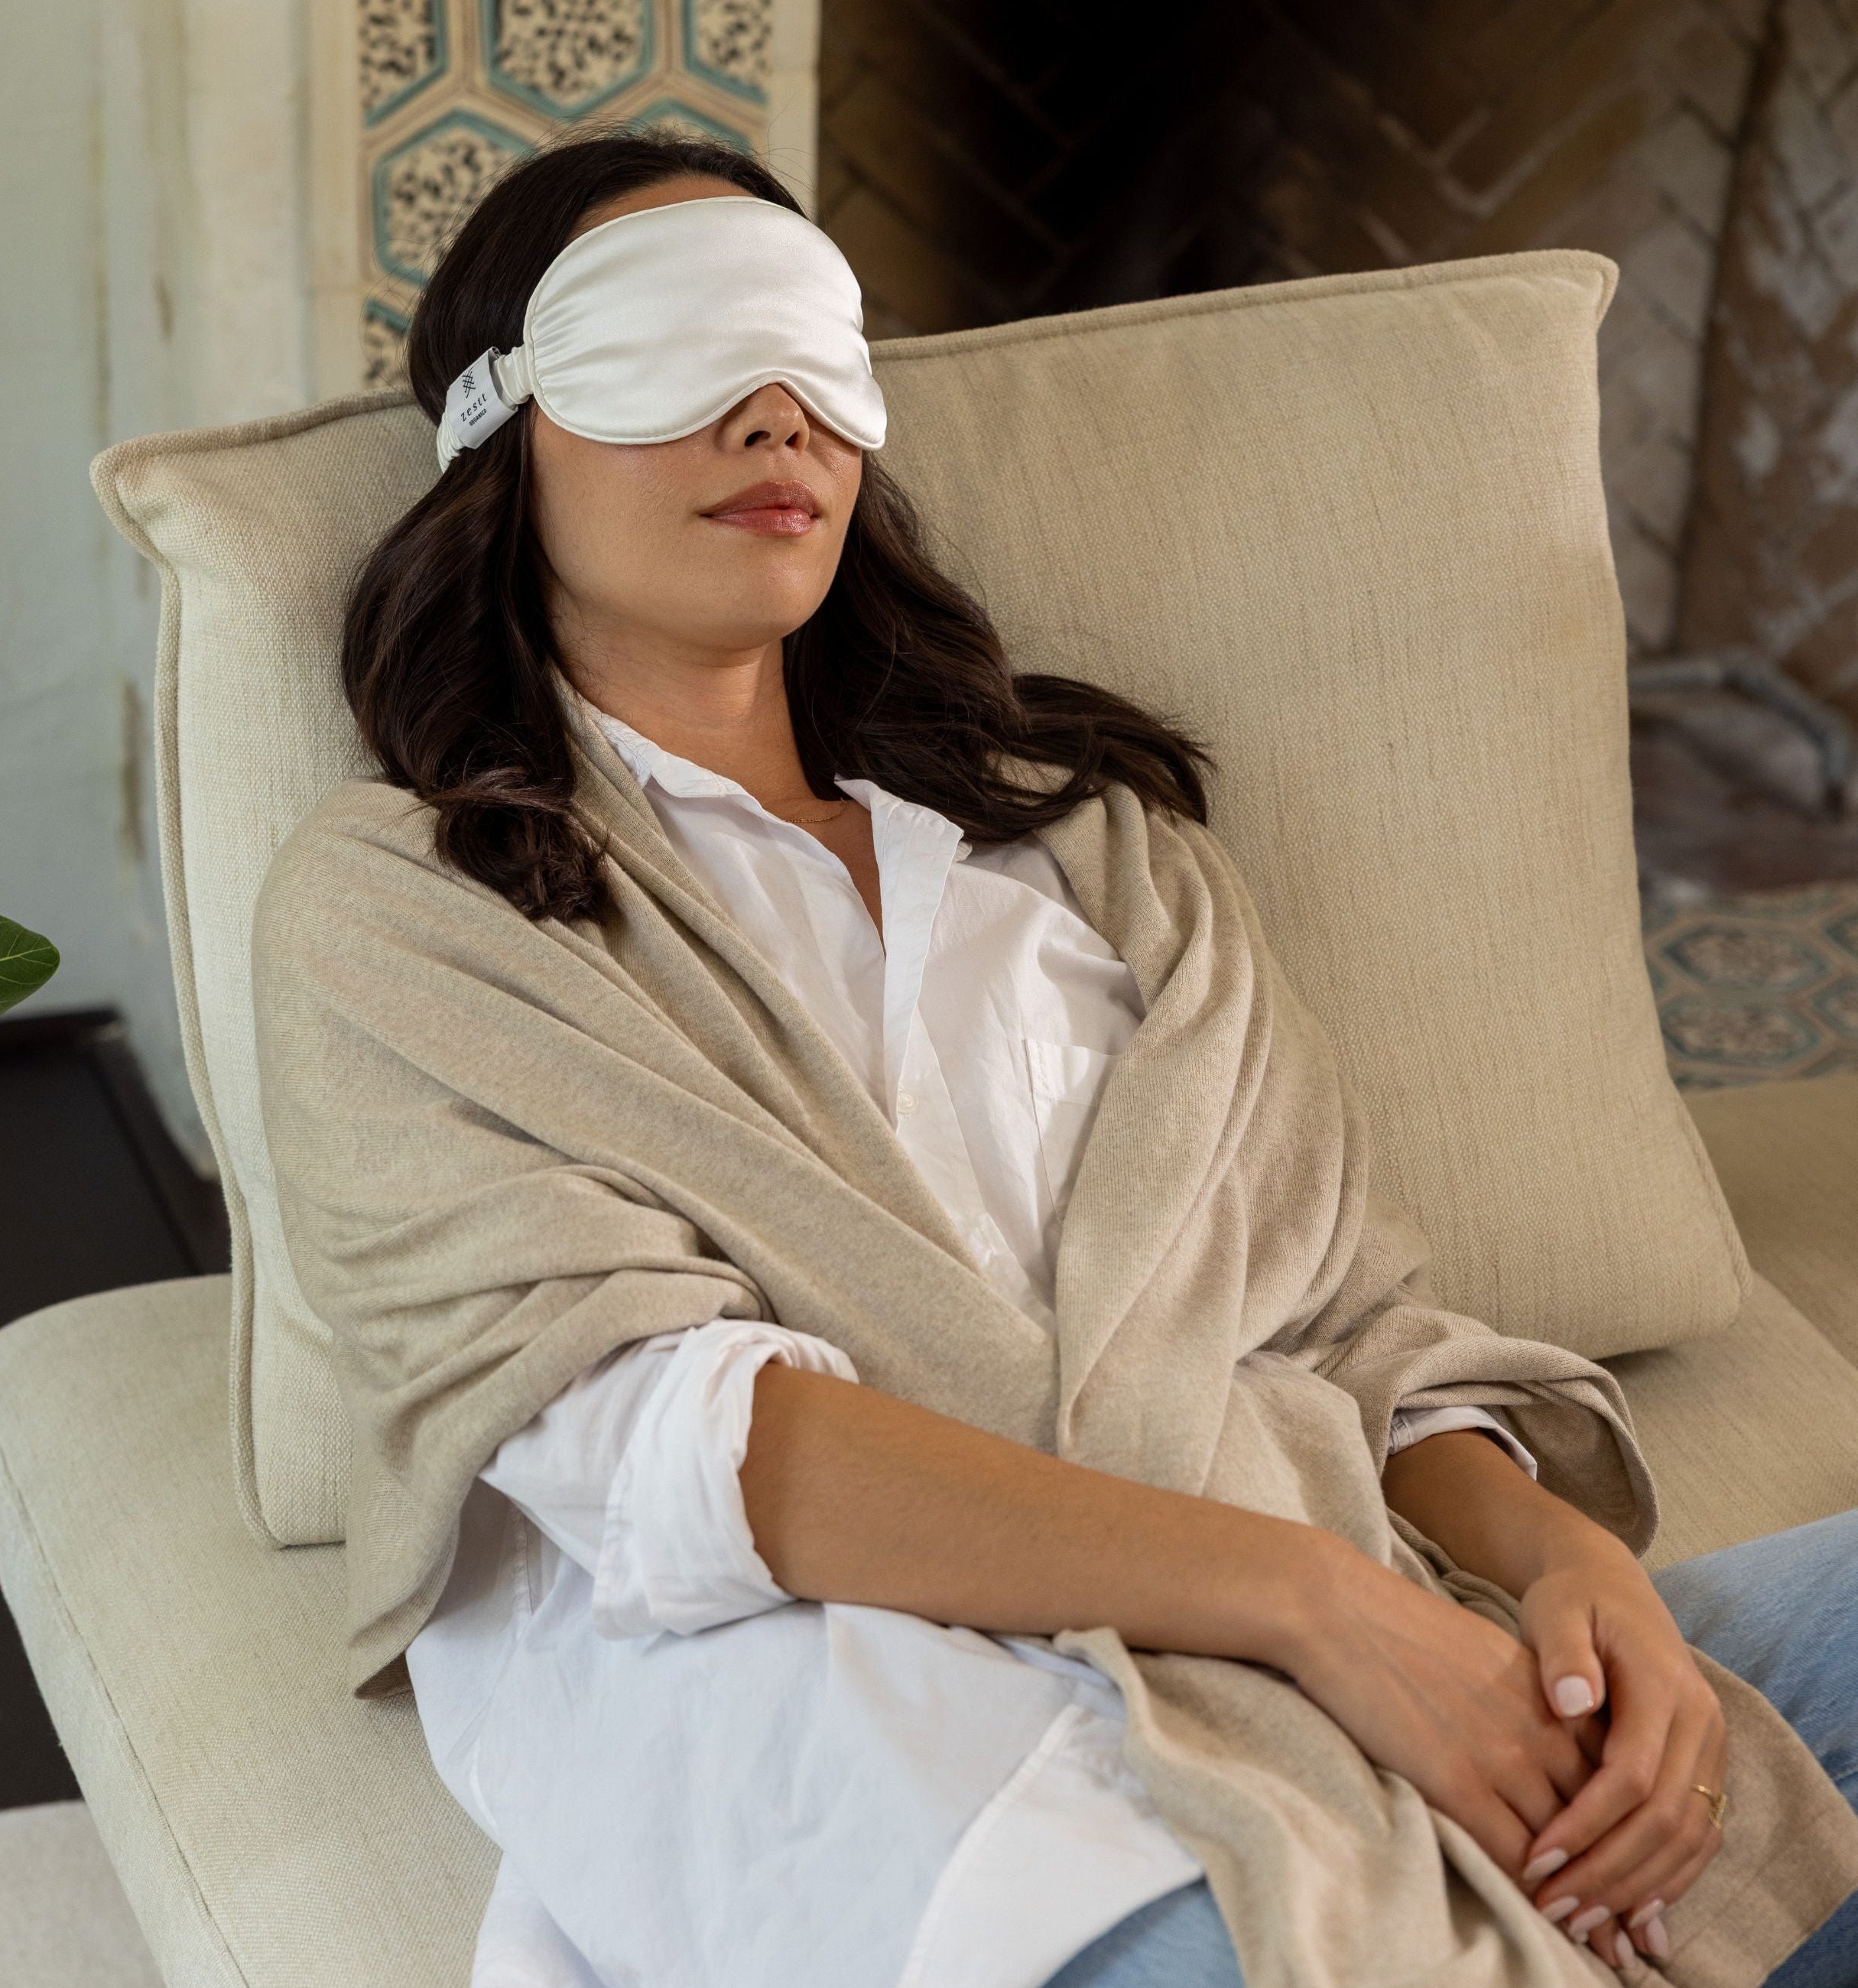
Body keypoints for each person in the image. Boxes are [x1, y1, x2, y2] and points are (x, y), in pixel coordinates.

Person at [248, 128, 1858, 1988]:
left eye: (808, 351)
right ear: (499, 424)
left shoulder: (1090, 852)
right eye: (676, 342)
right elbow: (683, 1449)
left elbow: (1346, 1322)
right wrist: (1316, 1609)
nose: (773, 415)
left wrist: (1572, 1569)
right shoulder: (412, 906)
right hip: (931, 1754)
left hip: (1363, 1628)